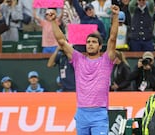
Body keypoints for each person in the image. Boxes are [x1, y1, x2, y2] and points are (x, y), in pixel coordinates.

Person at [50, 5, 119, 135]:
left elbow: (113, 38)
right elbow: (62, 41)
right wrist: (53, 21)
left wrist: (115, 17)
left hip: (99, 113)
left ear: (100, 46)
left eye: (94, 42)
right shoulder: (78, 59)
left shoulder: (106, 59)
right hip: (82, 113)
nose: (90, 44)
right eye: (88, 42)